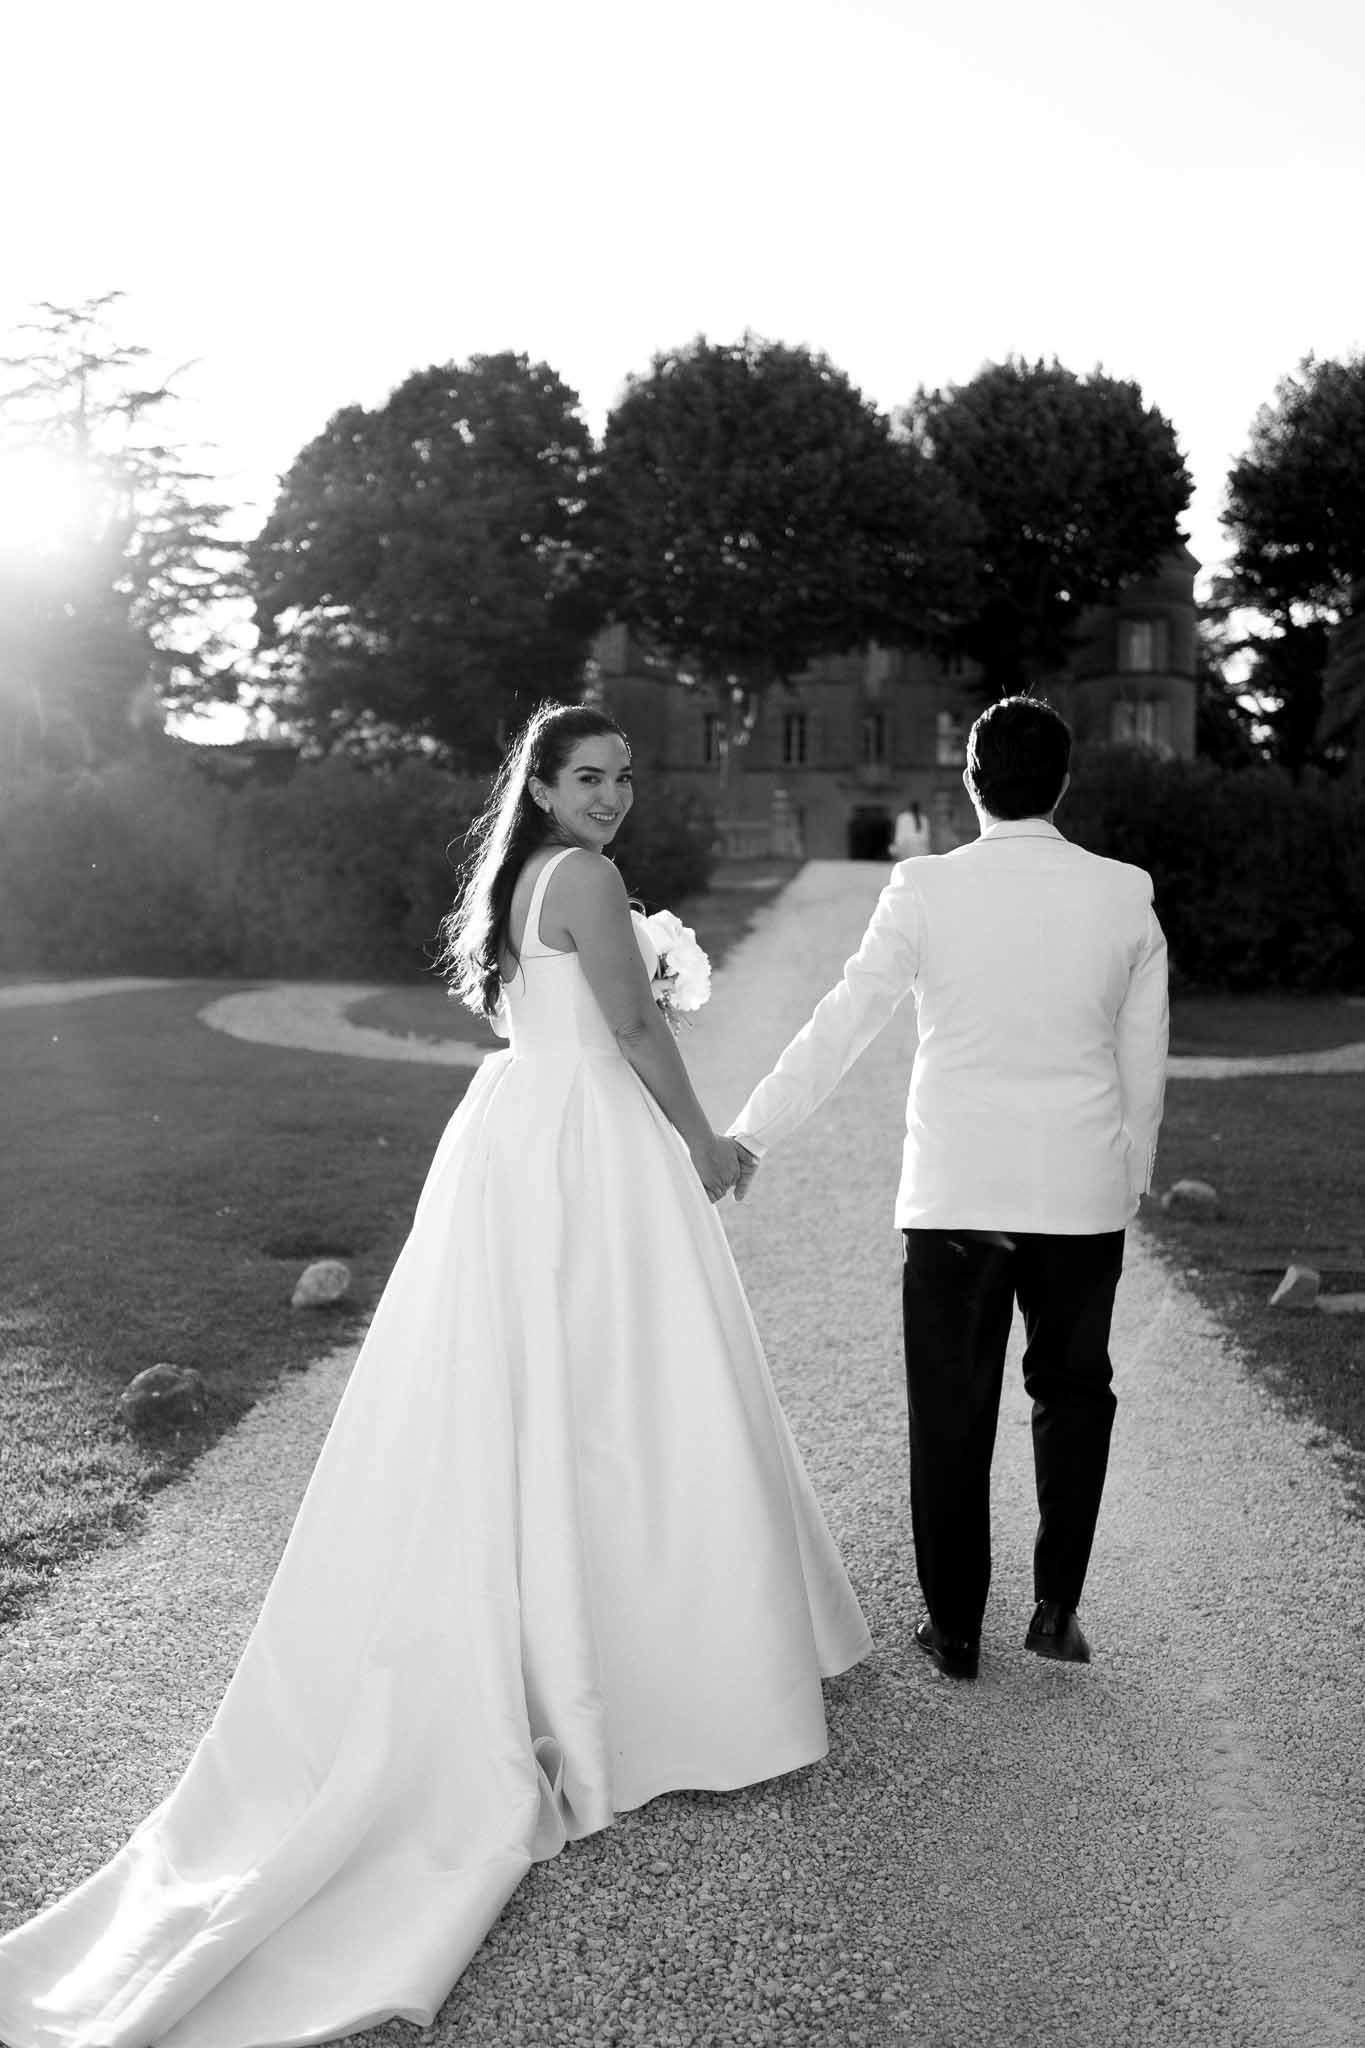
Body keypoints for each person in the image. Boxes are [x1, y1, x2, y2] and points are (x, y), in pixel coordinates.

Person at [0, 702, 870, 2048]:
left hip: (520, 1135)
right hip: (589, 1143)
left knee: (547, 1392)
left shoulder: (522, 876)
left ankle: (592, 1635)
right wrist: (704, 1145)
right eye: (591, 778)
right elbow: (638, 1037)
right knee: (625, 1394)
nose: (614, 797)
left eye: (624, 777)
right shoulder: (578, 877)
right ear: (547, 784)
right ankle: (660, 1661)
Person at [730, 695, 1168, 1681]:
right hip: (1079, 1195)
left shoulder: (923, 885)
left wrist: (753, 1128)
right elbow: (1143, 1057)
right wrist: (1129, 1176)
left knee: (951, 1406)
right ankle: (1056, 1606)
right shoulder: (1125, 891)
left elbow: (844, 1021)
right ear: (1064, 781)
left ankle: (956, 1628)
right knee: (1074, 1394)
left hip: (956, 1194)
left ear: (973, 782)